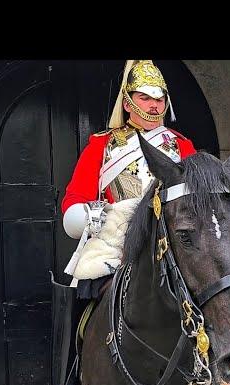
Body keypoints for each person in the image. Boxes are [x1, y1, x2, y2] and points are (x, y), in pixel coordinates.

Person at [61, 59, 196, 297]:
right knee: (85, 302)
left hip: (173, 244)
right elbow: (75, 200)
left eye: (159, 99)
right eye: (145, 98)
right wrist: (92, 216)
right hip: (117, 246)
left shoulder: (182, 146)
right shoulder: (101, 146)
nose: (154, 106)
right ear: (127, 103)